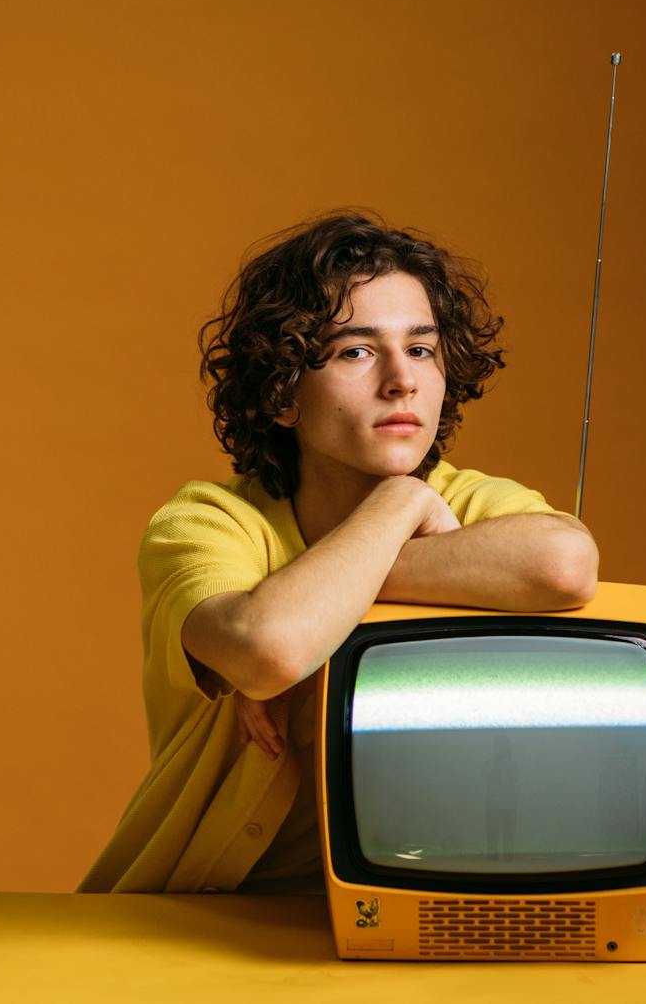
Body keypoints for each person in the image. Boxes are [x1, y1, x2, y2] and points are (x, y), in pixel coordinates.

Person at [76, 210, 598, 895]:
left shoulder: (476, 503)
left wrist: (327, 604)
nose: (401, 380)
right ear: (283, 390)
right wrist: (400, 503)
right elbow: (271, 649)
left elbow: (564, 565)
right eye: (356, 350)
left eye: (421, 349)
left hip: (411, 911)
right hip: (195, 913)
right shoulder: (207, 520)